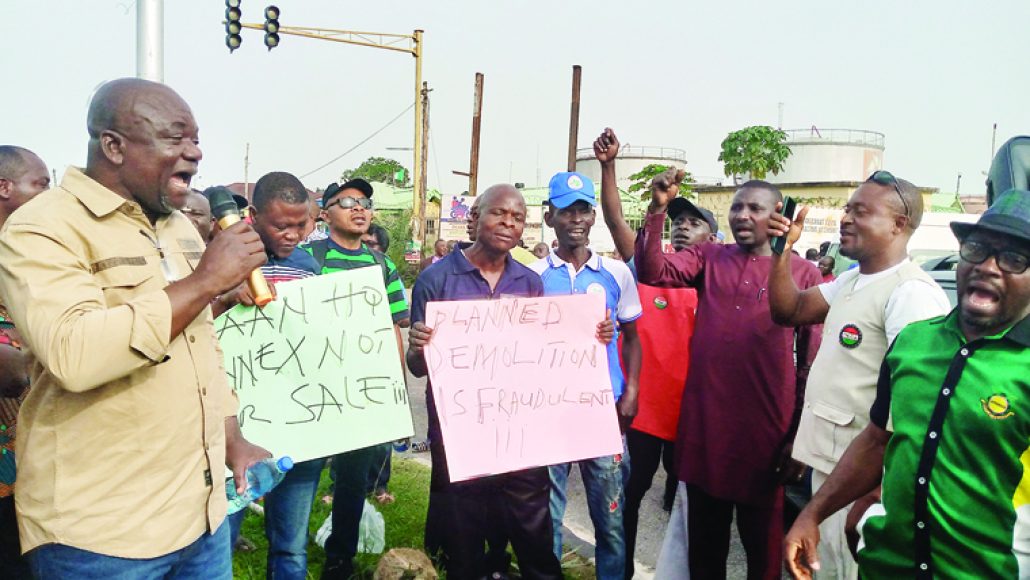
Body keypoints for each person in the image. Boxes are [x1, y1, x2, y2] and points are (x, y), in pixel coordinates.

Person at [0, 78, 271, 579]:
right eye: (175, 138)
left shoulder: (176, 228)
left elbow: (199, 349)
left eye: (195, 138)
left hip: (202, 519)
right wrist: (206, 279)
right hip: (102, 536)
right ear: (113, 146)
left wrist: (233, 438)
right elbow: (74, 354)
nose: (194, 152)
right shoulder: (43, 227)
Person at [785, 189, 1030, 579]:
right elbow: (876, 439)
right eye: (977, 250)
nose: (988, 266)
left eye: (1015, 259)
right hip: (887, 567)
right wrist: (813, 513)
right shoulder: (914, 342)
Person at [635, 174, 821, 580]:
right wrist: (657, 210)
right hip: (706, 428)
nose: (742, 215)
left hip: (766, 433)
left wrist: (799, 438)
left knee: (763, 549)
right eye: (737, 207)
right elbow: (653, 271)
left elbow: (811, 361)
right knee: (705, 548)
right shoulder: (710, 257)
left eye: (754, 208)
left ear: (778, 214)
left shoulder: (804, 273)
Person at [767, 171, 951, 579]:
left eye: (861, 211)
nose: (845, 219)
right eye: (847, 209)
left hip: (862, 482)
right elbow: (789, 311)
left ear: (898, 224)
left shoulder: (912, 294)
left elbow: (915, 407)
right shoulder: (852, 279)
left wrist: (877, 491)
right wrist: (783, 249)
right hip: (832, 469)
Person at [406, 184, 568, 580]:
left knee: (531, 514)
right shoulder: (436, 280)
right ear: (474, 218)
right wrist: (418, 346)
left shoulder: (529, 282)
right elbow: (416, 368)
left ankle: (515, 568)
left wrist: (588, 335)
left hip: (516, 423)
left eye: (517, 218)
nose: (508, 223)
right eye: (499, 214)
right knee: (463, 520)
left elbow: (540, 352)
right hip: (457, 426)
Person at [593, 128, 717, 579]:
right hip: (643, 412)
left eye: (694, 222)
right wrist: (608, 166)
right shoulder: (646, 267)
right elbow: (615, 221)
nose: (683, 227)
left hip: (692, 416)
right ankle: (620, 571)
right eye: (678, 221)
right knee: (630, 495)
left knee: (694, 507)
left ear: (714, 237)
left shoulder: (718, 282)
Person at [530, 170, 643, 579]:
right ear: (550, 218)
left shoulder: (616, 274)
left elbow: (633, 338)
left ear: (593, 216)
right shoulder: (534, 276)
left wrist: (631, 392)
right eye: (566, 211)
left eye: (583, 210)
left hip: (602, 411)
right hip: (551, 412)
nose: (576, 219)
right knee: (549, 516)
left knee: (611, 520)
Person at [212, 171, 325, 579]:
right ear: (254, 215)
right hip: (237, 426)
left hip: (298, 424)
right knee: (221, 538)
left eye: (302, 224)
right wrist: (224, 298)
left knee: (292, 547)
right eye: (281, 225)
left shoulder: (308, 268)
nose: (293, 234)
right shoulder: (220, 260)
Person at [301, 177, 409, 579]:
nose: (360, 208)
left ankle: (339, 558)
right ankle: (288, 552)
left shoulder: (382, 265)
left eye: (365, 202)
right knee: (300, 473)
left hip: (361, 392)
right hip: (312, 385)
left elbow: (396, 326)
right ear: (325, 213)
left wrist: (396, 386)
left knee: (351, 478)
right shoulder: (307, 258)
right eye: (347, 202)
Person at [0, 145, 50, 579]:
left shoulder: (30, 256)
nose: (48, 198)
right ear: (4, 188)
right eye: (41, 185)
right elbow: (14, 369)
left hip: (31, 455)